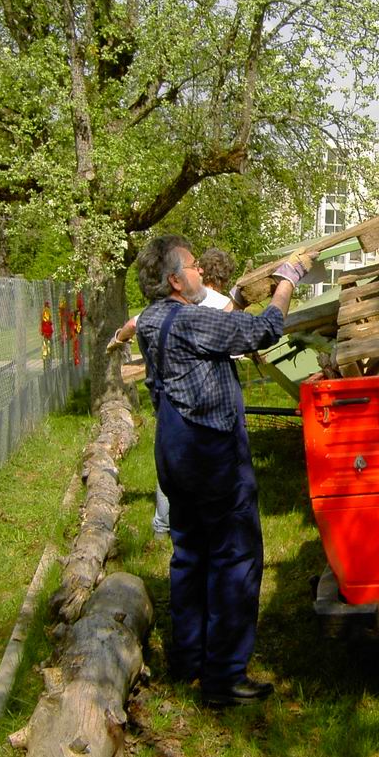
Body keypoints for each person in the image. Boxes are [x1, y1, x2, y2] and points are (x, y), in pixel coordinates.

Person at [133, 234, 311, 707]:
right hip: (211, 454)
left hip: (173, 452)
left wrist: (233, 298)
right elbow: (263, 331)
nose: (200, 272)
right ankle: (225, 677)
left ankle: (188, 660)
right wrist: (287, 281)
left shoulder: (150, 320)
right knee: (234, 559)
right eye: (193, 266)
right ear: (175, 280)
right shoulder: (192, 321)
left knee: (190, 555)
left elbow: (217, 323)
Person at [107, 247, 239, 534]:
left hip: (172, 402)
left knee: (173, 462)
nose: (197, 272)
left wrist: (118, 339)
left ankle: (164, 523)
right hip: (210, 403)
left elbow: (133, 323)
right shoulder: (221, 303)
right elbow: (238, 337)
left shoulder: (167, 308)